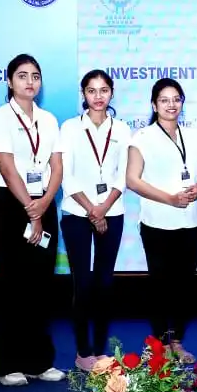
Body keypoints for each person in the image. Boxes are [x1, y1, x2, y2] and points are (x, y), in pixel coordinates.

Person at [0, 53, 65, 387]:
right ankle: (7, 366)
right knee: (14, 286)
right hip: (11, 205)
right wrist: (31, 208)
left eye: (35, 76)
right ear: (9, 81)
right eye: (22, 75)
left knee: (41, 286)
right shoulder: (1, 117)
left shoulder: (48, 119)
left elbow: (56, 166)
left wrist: (44, 203)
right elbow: (7, 167)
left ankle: (38, 362)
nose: (30, 82)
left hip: (44, 202)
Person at [126, 78, 197, 363]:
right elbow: (132, 180)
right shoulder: (142, 137)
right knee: (160, 286)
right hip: (157, 223)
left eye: (176, 99)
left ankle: (178, 342)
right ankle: (159, 344)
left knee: (185, 287)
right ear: (154, 105)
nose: (171, 104)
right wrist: (169, 198)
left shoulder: (194, 136)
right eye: (164, 100)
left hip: (189, 222)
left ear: (182, 102)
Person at [58, 69, 130, 372]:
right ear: (83, 94)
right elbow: (65, 174)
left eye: (104, 90)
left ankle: (100, 350)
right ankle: (82, 351)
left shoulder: (122, 129)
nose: (98, 97)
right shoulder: (70, 127)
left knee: (104, 283)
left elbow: (123, 174)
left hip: (112, 211)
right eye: (91, 91)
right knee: (83, 283)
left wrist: (104, 208)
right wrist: (92, 209)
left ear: (111, 92)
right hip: (77, 212)